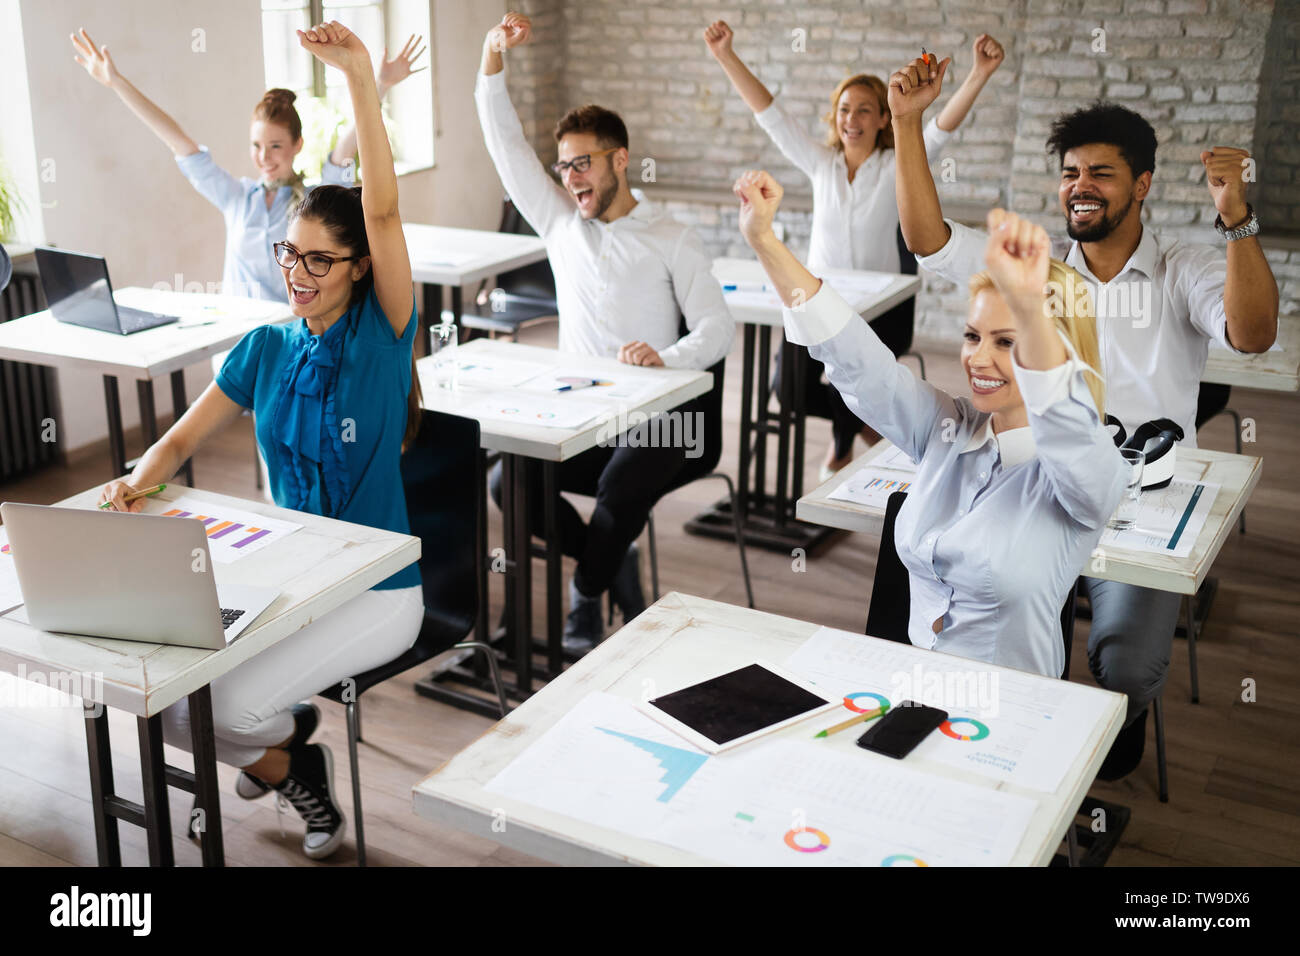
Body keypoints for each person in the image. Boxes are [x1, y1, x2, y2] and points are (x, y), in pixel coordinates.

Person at [889, 54, 1280, 775]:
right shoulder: (1035, 268)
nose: (1081, 186)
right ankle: (1033, 742)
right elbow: (926, 238)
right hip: (1032, 486)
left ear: (1143, 185)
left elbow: (1254, 335)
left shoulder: (1180, 267)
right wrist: (908, 125)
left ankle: (1096, 737)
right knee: (964, 580)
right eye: (1071, 172)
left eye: (1100, 173)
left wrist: (1237, 219)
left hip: (1139, 500)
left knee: (1128, 665)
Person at [98, 20, 421, 861]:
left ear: (358, 267)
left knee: (228, 712)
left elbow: (381, 206)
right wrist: (137, 481)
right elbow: (175, 442)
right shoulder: (266, 347)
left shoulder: (385, 336)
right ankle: (290, 755)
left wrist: (358, 75)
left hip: (378, 591)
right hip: (287, 578)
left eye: (319, 261)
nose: (297, 274)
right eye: (290, 255)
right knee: (167, 701)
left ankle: (285, 758)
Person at [735, 168, 1126, 676]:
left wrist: (1032, 309)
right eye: (972, 336)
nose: (979, 359)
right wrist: (764, 241)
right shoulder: (949, 427)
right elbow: (857, 361)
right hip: (909, 686)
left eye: (1006, 341)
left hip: (1009, 715)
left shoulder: (1089, 473)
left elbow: (1066, 427)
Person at [477, 13, 735, 651]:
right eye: (564, 168)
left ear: (620, 160)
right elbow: (506, 148)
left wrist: (665, 357)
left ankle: (585, 595)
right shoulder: (563, 227)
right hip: (581, 414)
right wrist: (492, 56)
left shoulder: (670, 236)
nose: (573, 179)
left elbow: (717, 328)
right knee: (504, 483)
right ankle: (610, 561)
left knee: (624, 481)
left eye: (584, 164)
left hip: (665, 421)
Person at [704, 21, 1004, 479]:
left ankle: (841, 447)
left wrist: (979, 73)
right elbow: (771, 115)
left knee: (858, 369)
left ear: (884, 119)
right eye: (845, 110)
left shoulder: (893, 166)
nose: (853, 119)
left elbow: (942, 125)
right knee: (787, 391)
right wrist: (726, 55)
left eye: (865, 110)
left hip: (879, 312)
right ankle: (871, 430)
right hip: (816, 300)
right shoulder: (821, 164)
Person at [71, 27, 424, 301]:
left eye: (275, 146)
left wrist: (380, 84)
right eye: (257, 145)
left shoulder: (313, 202)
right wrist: (116, 82)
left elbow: (347, 147)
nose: (264, 157)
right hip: (237, 341)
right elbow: (178, 141)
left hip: (287, 338)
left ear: (297, 146)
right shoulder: (238, 198)